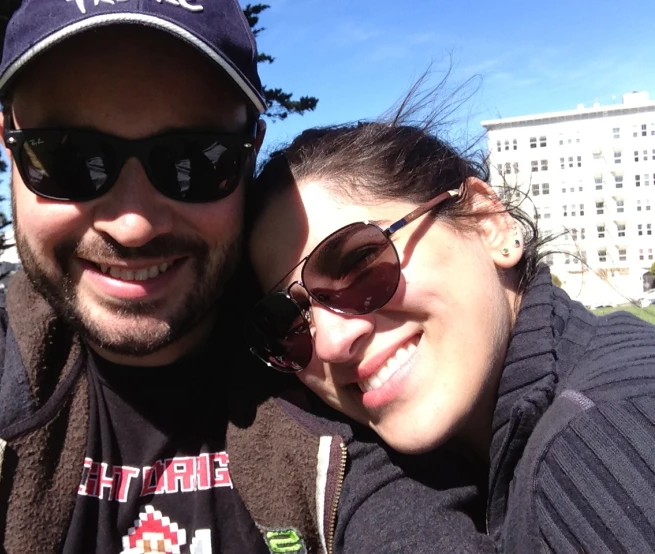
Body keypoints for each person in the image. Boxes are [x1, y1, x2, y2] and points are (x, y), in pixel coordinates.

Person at [0, 2, 499, 553]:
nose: (133, 224)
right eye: (67, 158)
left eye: (194, 161)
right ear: (7, 148)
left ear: (249, 155)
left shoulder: (322, 372)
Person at [246, 108, 655, 553]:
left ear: (487, 222)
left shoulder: (599, 449)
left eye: (360, 263)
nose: (331, 341)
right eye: (288, 320)